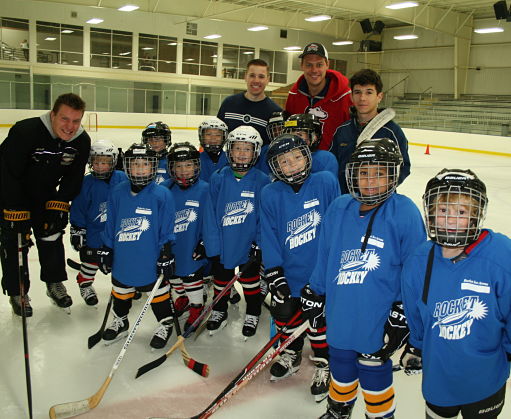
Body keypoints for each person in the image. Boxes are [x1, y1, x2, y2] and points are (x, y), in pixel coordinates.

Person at [301, 138, 426, 419]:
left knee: (373, 370)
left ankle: (380, 415)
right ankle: (339, 408)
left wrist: (403, 311)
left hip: (377, 313)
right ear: (352, 173)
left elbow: (416, 271)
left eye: (380, 173)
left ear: (393, 175)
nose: (370, 181)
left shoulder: (404, 212)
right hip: (341, 307)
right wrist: (315, 289)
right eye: (364, 172)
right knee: (341, 363)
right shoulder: (339, 207)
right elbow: (326, 252)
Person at [400, 168, 511, 419]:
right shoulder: (418, 260)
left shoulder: (501, 253)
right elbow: (415, 314)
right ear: (430, 212)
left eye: (461, 212)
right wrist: (416, 347)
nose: (450, 219)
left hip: (486, 380)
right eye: (442, 210)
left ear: (475, 215)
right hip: (439, 379)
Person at [261, 133, 340, 402]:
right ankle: (292, 353)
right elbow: (269, 235)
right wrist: (274, 272)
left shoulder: (325, 182)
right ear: (275, 167)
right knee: (283, 312)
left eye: (296, 157)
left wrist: (325, 278)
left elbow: (336, 230)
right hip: (290, 271)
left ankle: (323, 362)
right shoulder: (270, 193)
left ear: (307, 157)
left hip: (319, 273)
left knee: (318, 322)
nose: (292, 164)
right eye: (284, 161)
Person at [0, 92, 91, 316]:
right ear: (52, 115)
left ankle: (54, 283)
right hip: (12, 191)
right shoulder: (25, 131)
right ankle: (17, 291)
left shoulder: (81, 140)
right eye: (64, 119)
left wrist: (59, 205)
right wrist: (13, 208)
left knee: (52, 235)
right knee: (15, 242)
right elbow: (7, 172)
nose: (70, 126)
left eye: (76, 120)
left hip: (45, 194)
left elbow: (73, 178)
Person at [99, 143, 176, 349]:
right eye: (135, 164)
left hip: (149, 256)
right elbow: (111, 222)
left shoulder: (162, 194)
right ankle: (121, 321)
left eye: (145, 164)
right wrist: (107, 248)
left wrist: (166, 253)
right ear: (127, 167)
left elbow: (167, 228)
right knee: (121, 289)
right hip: (124, 256)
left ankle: (165, 323)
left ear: (153, 168)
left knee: (157, 294)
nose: (140, 169)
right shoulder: (117, 192)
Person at [204, 125, 269, 338]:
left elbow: (264, 217)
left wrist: (259, 243)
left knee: (251, 283)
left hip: (247, 243)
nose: (241, 153)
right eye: (237, 148)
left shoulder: (262, 180)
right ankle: (219, 310)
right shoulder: (218, 177)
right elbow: (210, 214)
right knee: (221, 280)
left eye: (247, 149)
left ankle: (253, 311)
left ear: (256, 152)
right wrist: (212, 244)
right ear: (229, 150)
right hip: (224, 243)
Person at [331, 68, 411, 194]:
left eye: (369, 92)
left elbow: (403, 167)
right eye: (357, 92)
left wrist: (379, 190)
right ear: (351, 96)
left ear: (379, 96)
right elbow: (333, 165)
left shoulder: (392, 132)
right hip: (346, 200)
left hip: (379, 202)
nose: (362, 98)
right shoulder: (342, 130)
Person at [69, 139, 127, 306]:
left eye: (105, 162)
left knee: (121, 260)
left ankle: (126, 287)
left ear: (114, 161)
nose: (101, 166)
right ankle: (85, 284)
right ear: (90, 162)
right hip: (96, 233)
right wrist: (78, 229)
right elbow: (79, 208)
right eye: (97, 162)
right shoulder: (86, 183)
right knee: (91, 261)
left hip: (118, 232)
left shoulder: (122, 178)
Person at [162, 142, 209, 333]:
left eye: (188, 165)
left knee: (191, 277)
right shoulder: (165, 189)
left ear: (197, 166)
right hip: (172, 245)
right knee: (173, 275)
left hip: (192, 244)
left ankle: (197, 306)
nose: (183, 171)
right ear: (171, 168)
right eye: (178, 166)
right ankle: (181, 297)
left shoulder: (205, 189)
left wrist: (205, 242)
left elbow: (211, 220)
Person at [285, 42, 352, 151]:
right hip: (299, 162)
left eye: (319, 65)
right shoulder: (293, 96)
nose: (314, 70)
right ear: (301, 65)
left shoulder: (345, 97)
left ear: (327, 64)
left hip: (334, 163)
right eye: (309, 65)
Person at [217, 58, 282, 145]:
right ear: (245, 77)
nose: (256, 81)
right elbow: (217, 134)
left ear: (268, 79)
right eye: (252, 75)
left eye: (261, 76)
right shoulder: (229, 103)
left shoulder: (275, 112)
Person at [283, 113, 339, 180]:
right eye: (289, 135)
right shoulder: (281, 157)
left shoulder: (325, 158)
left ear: (314, 137)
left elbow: (326, 186)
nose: (293, 139)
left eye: (299, 135)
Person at [198, 117, 229, 181]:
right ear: (202, 136)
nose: (213, 138)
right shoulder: (195, 159)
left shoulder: (231, 159)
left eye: (218, 135)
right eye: (208, 134)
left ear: (224, 137)